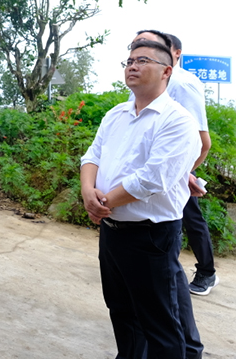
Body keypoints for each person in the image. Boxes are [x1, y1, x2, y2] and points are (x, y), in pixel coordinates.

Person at [81, 38, 204, 359]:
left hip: (151, 236)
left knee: (160, 324)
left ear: (167, 71)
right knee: (121, 313)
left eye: (142, 61)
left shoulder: (177, 121)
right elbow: (92, 156)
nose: (132, 66)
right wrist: (88, 193)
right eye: (129, 61)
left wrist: (102, 202)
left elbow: (152, 178)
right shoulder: (116, 115)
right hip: (112, 231)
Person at [131, 30, 218, 296]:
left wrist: (181, 172)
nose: (140, 53)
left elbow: (202, 140)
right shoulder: (143, 84)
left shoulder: (182, 84)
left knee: (188, 218)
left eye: (151, 46)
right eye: (136, 47)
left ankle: (206, 272)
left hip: (171, 167)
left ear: (174, 54)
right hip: (150, 166)